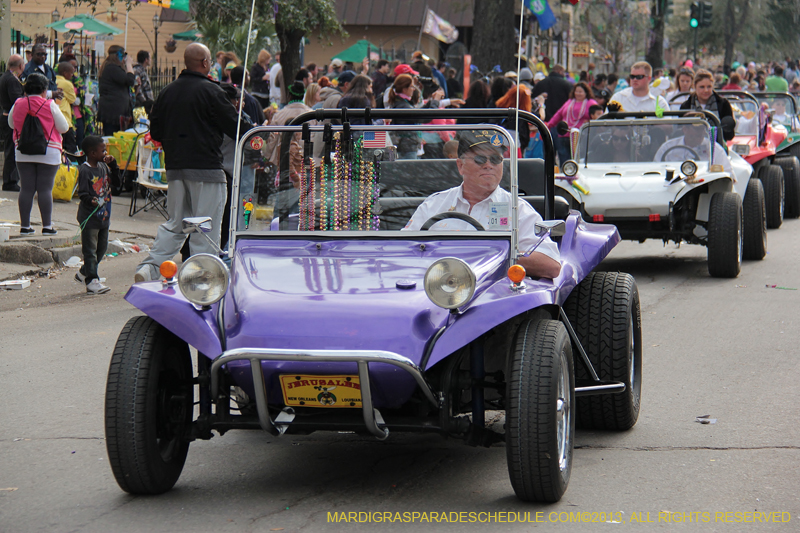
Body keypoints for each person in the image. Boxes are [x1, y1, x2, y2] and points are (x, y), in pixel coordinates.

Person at [134, 43, 250, 283]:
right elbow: (237, 128)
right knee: (205, 227)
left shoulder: (167, 92)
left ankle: (150, 268)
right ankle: (201, 278)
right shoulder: (212, 92)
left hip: (176, 169)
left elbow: (155, 132)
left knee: (176, 223)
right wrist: (257, 133)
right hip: (207, 170)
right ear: (206, 63)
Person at [403, 130, 561, 279]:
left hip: (493, 297)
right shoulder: (434, 204)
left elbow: (551, 264)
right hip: (435, 290)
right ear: (460, 166)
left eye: (495, 159)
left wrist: (494, 256)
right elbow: (402, 248)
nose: (488, 165)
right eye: (480, 159)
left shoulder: (518, 209)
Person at [8, 73, 70, 235]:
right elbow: (64, 128)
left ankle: (25, 226)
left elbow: (11, 123)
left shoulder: (18, 103)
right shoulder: (50, 105)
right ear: (44, 90)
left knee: (26, 189)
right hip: (49, 152)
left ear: (26, 89)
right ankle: (47, 226)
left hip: (23, 151)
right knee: (45, 189)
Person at [76, 135, 116, 294]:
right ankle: (91, 280)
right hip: (89, 217)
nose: (106, 153)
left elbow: (117, 184)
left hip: (104, 216)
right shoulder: (85, 170)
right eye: (103, 150)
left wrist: (114, 165)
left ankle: (84, 272)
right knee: (90, 250)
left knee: (102, 248)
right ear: (92, 153)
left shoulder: (104, 167)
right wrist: (91, 200)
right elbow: (82, 193)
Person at [653, 118, 731, 174]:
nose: (701, 133)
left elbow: (729, 175)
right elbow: (655, 171)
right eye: (697, 130)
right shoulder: (667, 147)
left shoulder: (714, 149)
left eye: (702, 130)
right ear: (685, 129)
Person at [547, 82, 598, 164]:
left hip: (580, 136)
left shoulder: (590, 103)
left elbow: (597, 116)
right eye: (576, 91)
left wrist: (589, 122)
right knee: (565, 161)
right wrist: (549, 125)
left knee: (578, 160)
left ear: (586, 93)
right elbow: (559, 114)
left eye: (580, 92)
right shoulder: (569, 102)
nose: (578, 94)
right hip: (564, 136)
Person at [679, 69, 735, 141]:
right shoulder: (686, 106)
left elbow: (729, 135)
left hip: (717, 146)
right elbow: (680, 133)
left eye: (709, 87)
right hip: (692, 146)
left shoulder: (723, 104)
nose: (706, 90)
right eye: (702, 87)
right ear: (694, 86)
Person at [98, 45, 135, 136]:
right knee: (113, 137)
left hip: (116, 111)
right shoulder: (111, 68)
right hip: (114, 113)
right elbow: (130, 80)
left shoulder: (113, 69)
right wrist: (129, 65)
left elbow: (125, 82)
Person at [0, 54, 24, 191]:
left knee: (10, 148)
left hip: (5, 115)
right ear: (20, 66)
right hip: (10, 117)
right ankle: (10, 181)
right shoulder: (13, 80)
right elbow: (17, 100)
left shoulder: (5, 77)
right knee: (11, 149)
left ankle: (10, 179)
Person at [387, 74, 422, 159]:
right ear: (404, 89)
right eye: (412, 87)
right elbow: (421, 118)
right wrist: (435, 103)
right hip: (406, 146)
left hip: (401, 145)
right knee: (409, 170)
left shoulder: (398, 102)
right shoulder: (403, 106)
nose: (414, 89)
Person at [55, 62, 77, 153]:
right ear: (64, 73)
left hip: (56, 116)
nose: (72, 75)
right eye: (71, 73)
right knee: (70, 147)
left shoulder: (53, 80)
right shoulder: (67, 83)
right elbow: (72, 99)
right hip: (65, 118)